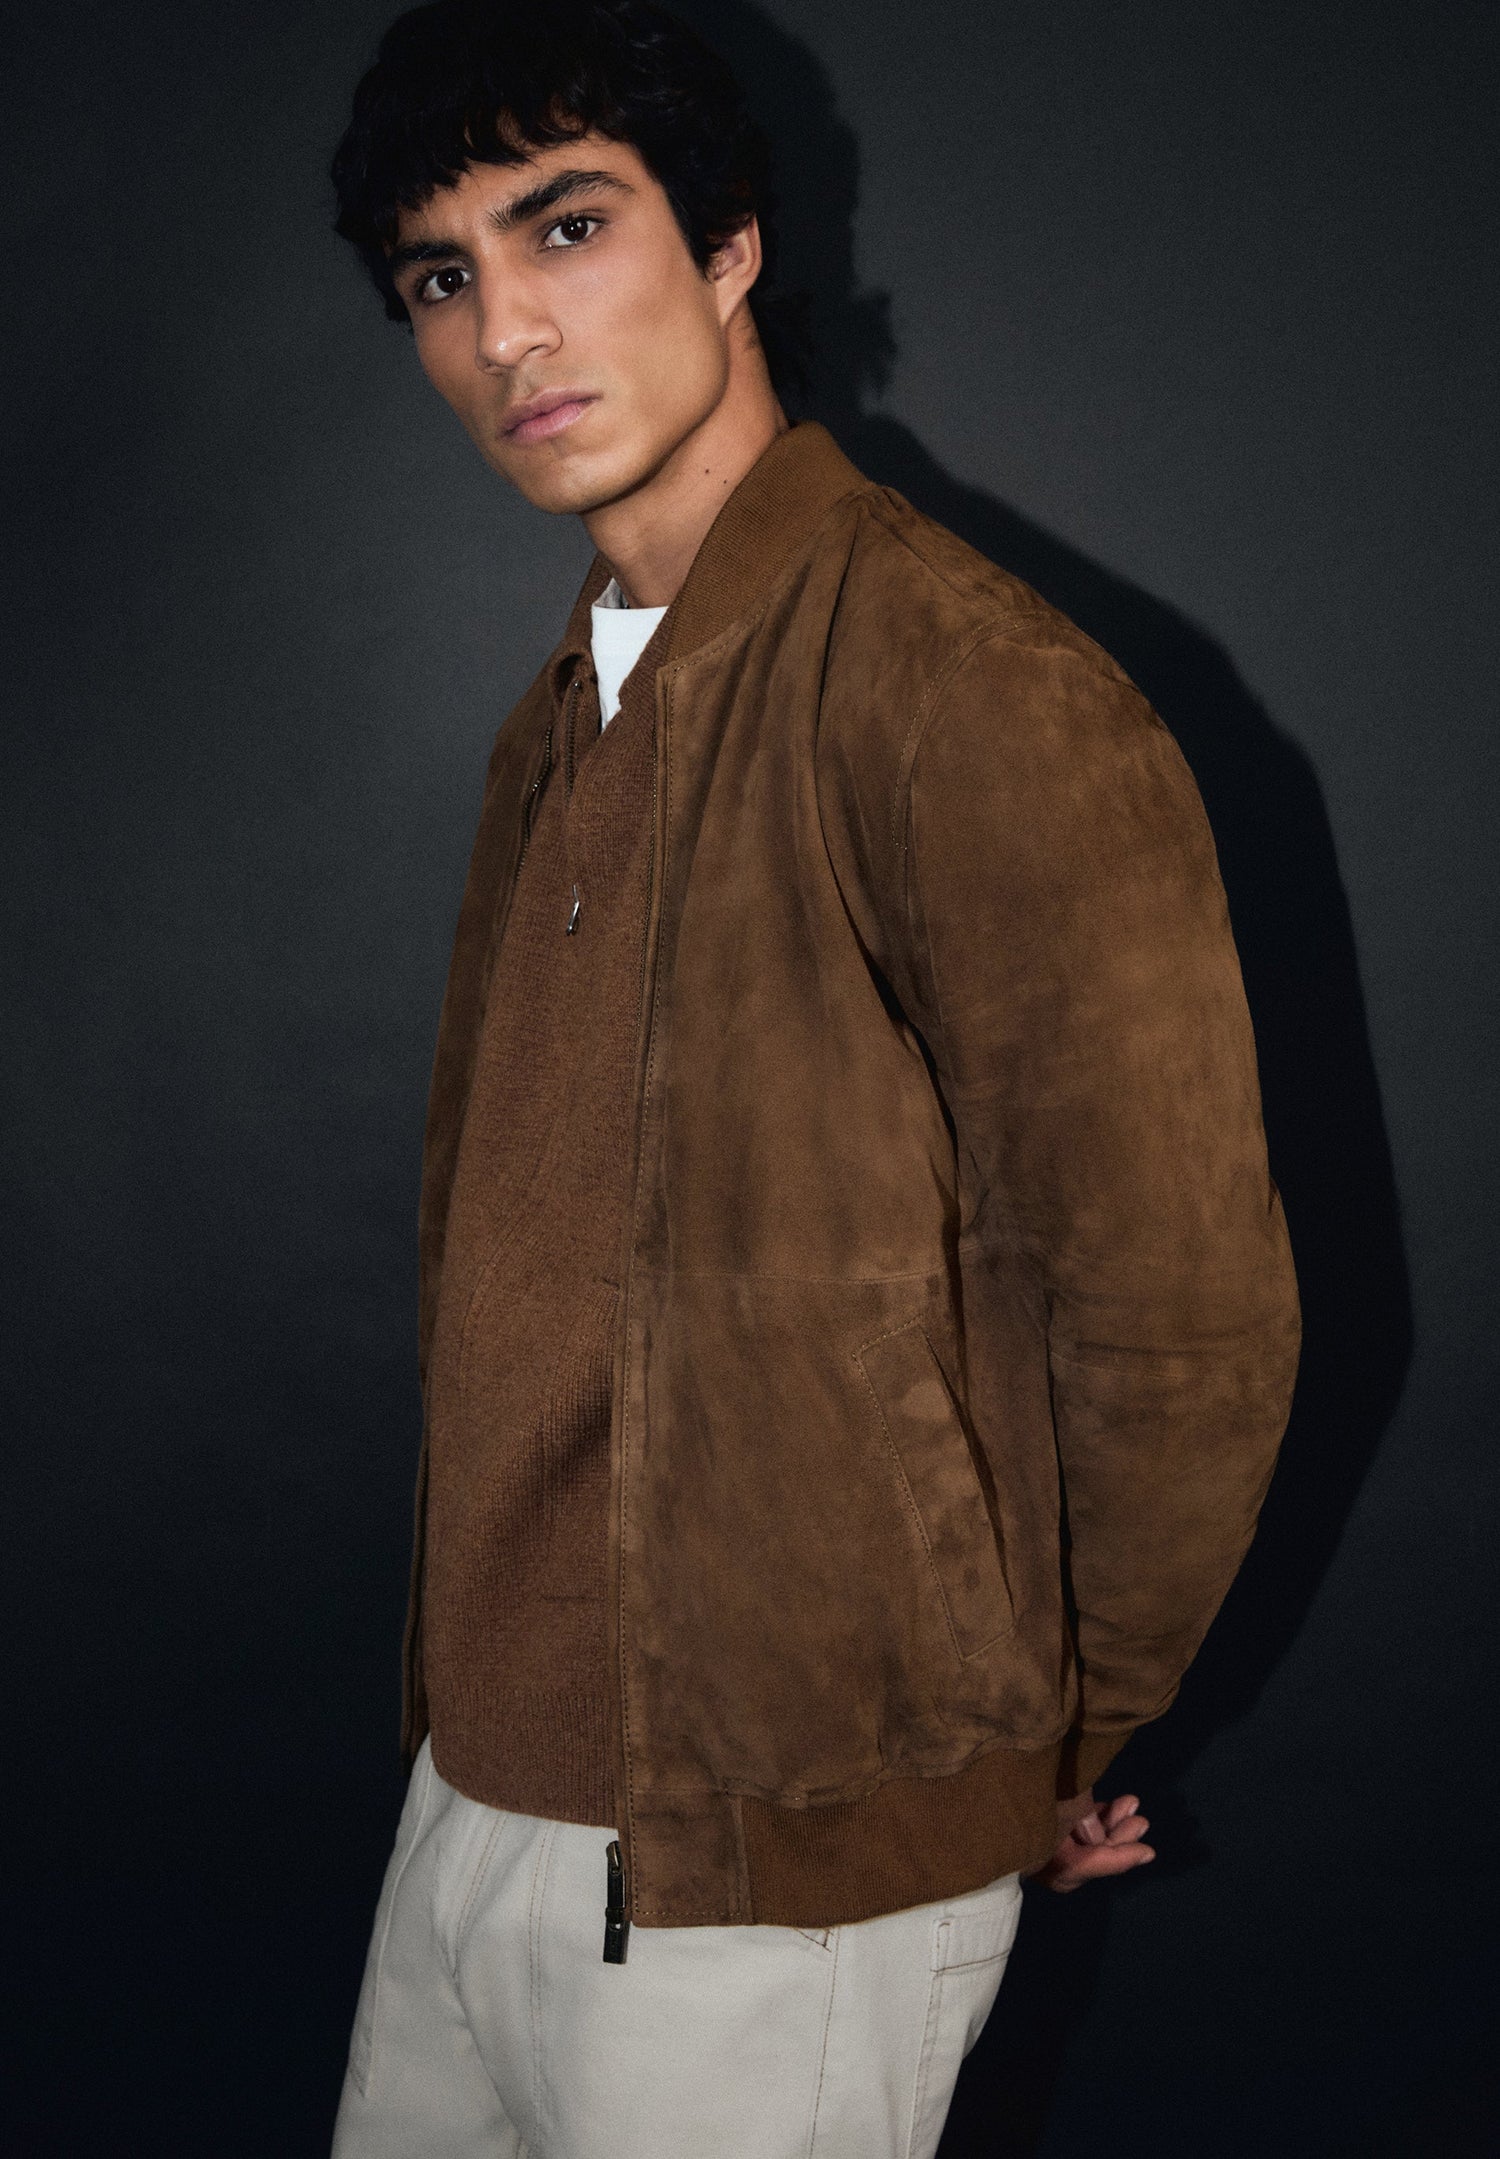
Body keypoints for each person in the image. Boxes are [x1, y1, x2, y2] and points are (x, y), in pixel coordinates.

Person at [327, 3, 1301, 2152]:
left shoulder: (970, 687)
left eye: (565, 226)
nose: (506, 328)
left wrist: (1026, 1755)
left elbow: (1183, 1326)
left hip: (780, 1867)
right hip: (472, 1798)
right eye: (440, 276)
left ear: (731, 243)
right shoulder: (565, 714)